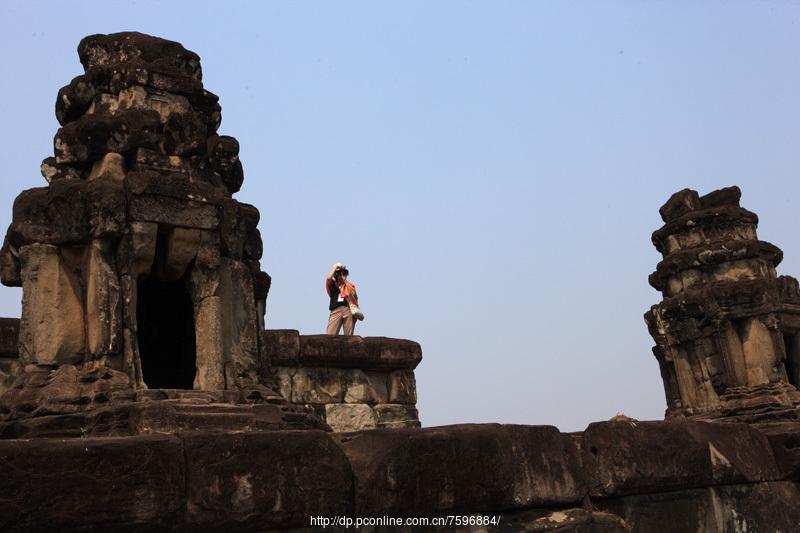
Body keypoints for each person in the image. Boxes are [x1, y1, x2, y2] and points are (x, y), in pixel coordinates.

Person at [325, 262, 359, 335]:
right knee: (330, 335)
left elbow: (354, 296)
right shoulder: (333, 285)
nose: (342, 275)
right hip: (336, 310)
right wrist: (335, 266)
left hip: (348, 309)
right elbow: (328, 278)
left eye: (344, 273)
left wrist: (345, 280)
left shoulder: (349, 285)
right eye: (340, 273)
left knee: (349, 337)